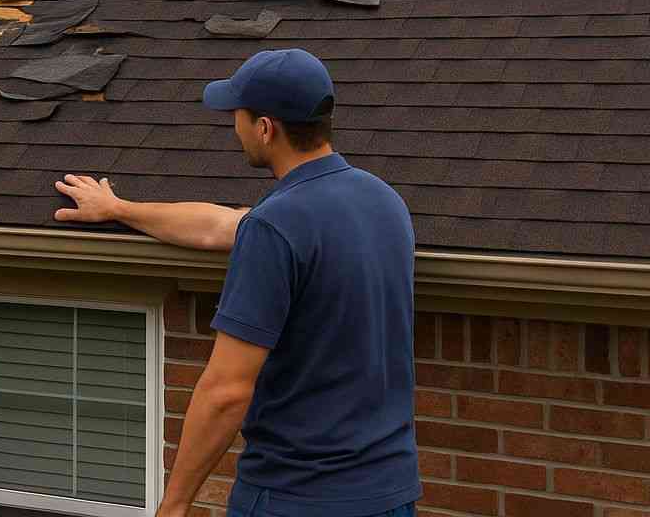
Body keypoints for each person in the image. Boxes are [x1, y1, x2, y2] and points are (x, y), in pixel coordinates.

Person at [54, 48, 420, 517]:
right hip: (390, 493)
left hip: (297, 498)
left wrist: (175, 503)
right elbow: (221, 225)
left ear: (265, 128)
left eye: (238, 116)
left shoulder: (278, 226)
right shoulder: (382, 201)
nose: (234, 126)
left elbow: (226, 391)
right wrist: (119, 209)